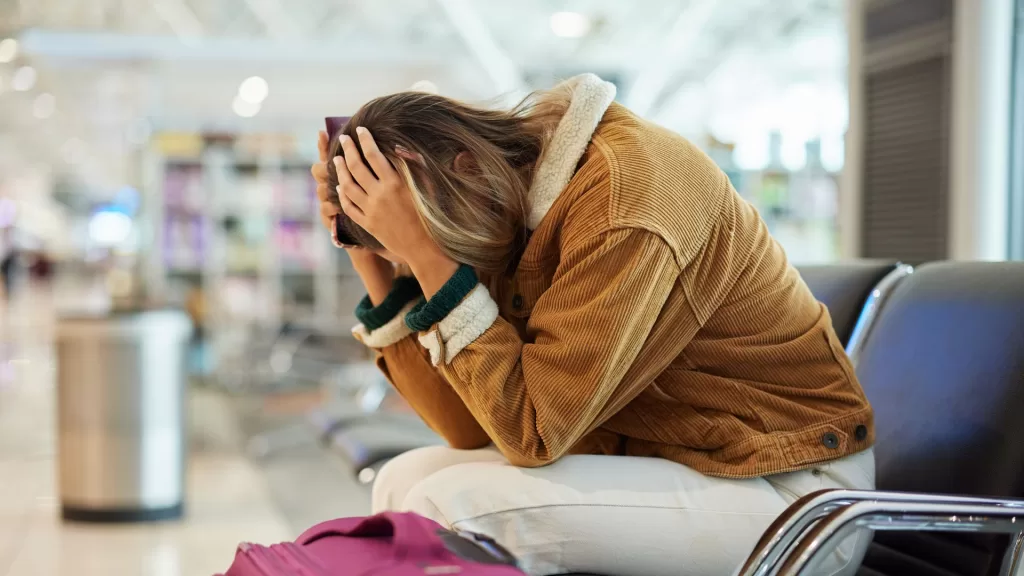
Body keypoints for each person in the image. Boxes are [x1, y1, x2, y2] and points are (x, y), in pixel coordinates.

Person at [310, 74, 874, 576]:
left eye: (416, 241)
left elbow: (532, 433)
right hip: (672, 459)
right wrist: (373, 259)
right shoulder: (507, 200)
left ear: (463, 168)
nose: (414, 261)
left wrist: (433, 263)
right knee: (402, 479)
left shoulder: (627, 200)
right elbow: (470, 428)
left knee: (450, 505)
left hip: (789, 489)